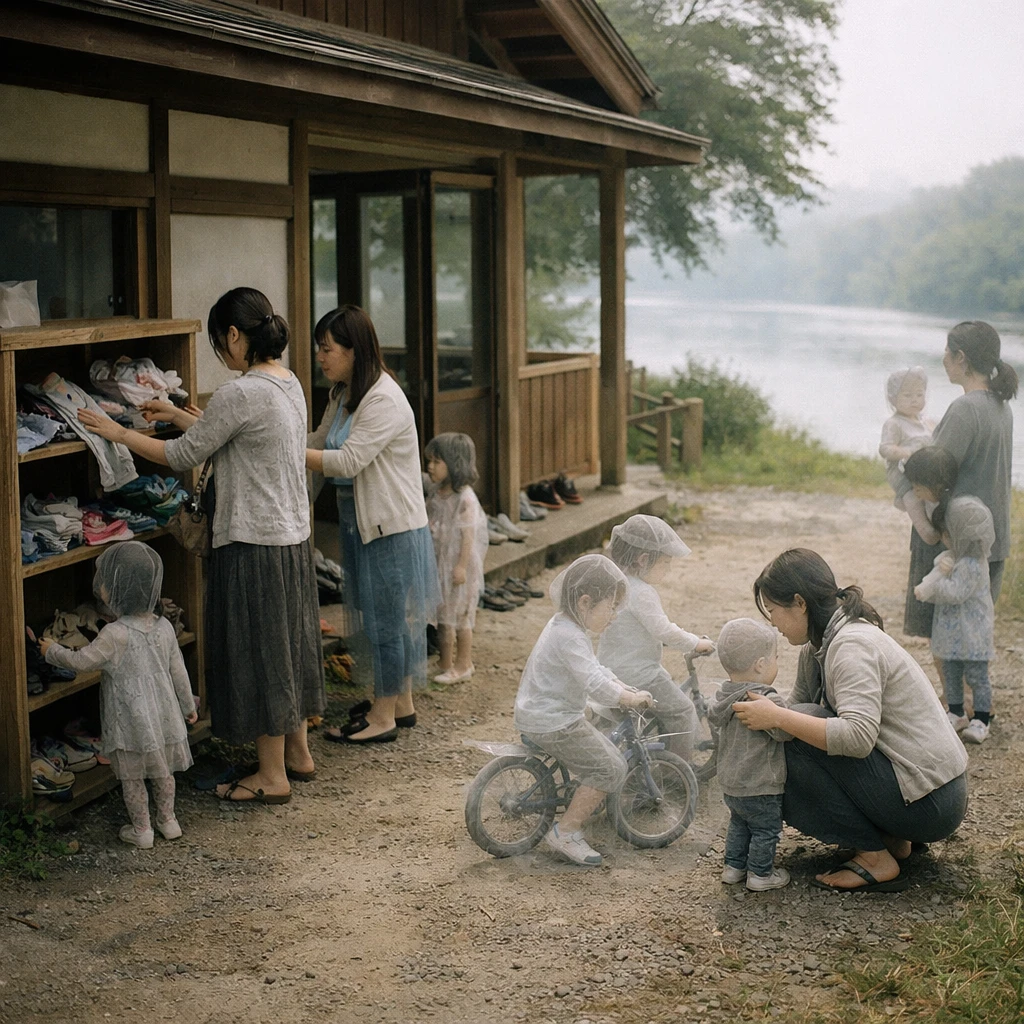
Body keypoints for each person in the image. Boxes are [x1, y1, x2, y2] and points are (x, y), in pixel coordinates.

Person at [79, 288, 323, 803]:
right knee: (286, 649)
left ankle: (270, 777)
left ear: (234, 335)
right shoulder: (289, 382)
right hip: (291, 538)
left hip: (252, 541)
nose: (222, 351)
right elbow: (235, 437)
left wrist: (115, 433)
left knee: (260, 654)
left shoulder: (240, 393)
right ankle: (297, 756)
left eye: (220, 342)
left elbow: (181, 455)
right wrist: (176, 412)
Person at [734, 549, 968, 892]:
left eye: (773, 611)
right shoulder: (821, 645)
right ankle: (892, 838)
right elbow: (795, 718)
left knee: (787, 749)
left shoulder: (851, 645)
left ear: (800, 603)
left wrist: (777, 715)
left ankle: (875, 857)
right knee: (790, 731)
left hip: (933, 802)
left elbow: (857, 738)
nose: (772, 623)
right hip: (925, 793)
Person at [306, 305, 438, 743]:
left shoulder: (383, 397)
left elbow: (347, 459)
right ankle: (400, 704)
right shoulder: (344, 393)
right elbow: (318, 442)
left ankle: (383, 717)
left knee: (384, 623)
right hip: (361, 523)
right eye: (319, 349)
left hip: (390, 527)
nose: (321, 358)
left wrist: (278, 452)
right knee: (379, 616)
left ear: (353, 349)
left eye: (327, 349)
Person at [40, 543, 197, 848]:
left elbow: (81, 661)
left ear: (115, 593)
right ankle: (168, 820)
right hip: (163, 716)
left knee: (133, 776)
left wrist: (52, 651)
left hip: (130, 721)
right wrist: (188, 705)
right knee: (163, 770)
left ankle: (142, 829)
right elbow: (178, 670)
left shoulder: (115, 634)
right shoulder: (164, 627)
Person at [513, 554, 653, 867]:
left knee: (596, 736)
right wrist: (625, 698)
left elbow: (593, 668)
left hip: (540, 711)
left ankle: (578, 801)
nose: (614, 615)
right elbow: (592, 681)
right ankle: (567, 830)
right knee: (611, 767)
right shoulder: (570, 636)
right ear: (585, 602)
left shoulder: (564, 625)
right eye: (611, 606)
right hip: (554, 721)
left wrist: (618, 683)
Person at [906, 321, 1017, 636]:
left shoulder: (965, 408)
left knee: (946, 640)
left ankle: (953, 690)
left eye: (947, 351)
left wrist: (908, 458)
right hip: (991, 538)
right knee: (971, 638)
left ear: (961, 358)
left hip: (957, 540)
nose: (943, 357)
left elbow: (931, 474)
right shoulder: (1002, 406)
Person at [597, 514, 714, 761]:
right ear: (643, 560)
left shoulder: (616, 584)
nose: (667, 570)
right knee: (681, 710)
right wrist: (696, 642)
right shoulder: (642, 592)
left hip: (610, 669)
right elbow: (664, 630)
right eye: (665, 564)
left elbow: (637, 629)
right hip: (639, 673)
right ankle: (679, 770)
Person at [709, 618, 792, 892]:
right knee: (765, 829)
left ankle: (733, 868)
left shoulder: (724, 696)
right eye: (775, 658)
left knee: (739, 823)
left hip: (731, 783)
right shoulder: (766, 699)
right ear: (760, 664)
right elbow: (784, 733)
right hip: (760, 784)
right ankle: (760, 874)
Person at [915, 496, 996, 744]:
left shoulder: (972, 564)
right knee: (951, 673)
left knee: (977, 676)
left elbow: (955, 593)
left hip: (972, 634)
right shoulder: (956, 558)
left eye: (947, 534)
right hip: (952, 634)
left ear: (961, 535)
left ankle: (981, 718)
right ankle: (956, 712)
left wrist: (937, 581)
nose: (944, 540)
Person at [424, 432, 489, 684]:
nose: (430, 466)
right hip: (441, 564)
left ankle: (463, 664)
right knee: (444, 615)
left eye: (436, 461)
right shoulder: (437, 492)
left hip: (458, 567)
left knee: (460, 616)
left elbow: (468, 536)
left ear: (454, 464)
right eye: (429, 460)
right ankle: (445, 661)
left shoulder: (465, 498)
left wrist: (461, 566)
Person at [902, 445, 960, 669]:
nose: (914, 490)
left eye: (918, 485)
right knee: (938, 636)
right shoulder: (934, 501)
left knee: (945, 635)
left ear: (936, 484)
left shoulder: (950, 509)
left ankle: (958, 695)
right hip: (945, 569)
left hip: (952, 572)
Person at [879, 366, 936, 543]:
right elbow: (885, 449)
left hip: (923, 472)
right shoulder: (894, 423)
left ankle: (935, 519)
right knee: (913, 497)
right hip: (902, 471)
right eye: (908, 396)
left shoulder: (924, 422)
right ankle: (926, 531)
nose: (915, 400)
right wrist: (907, 452)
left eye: (919, 395)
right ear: (893, 398)